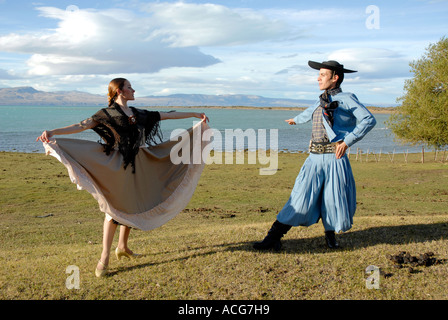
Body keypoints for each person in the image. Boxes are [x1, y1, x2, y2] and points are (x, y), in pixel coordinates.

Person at [37, 78, 210, 277]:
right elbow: (81, 125)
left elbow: (167, 115)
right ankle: (104, 257)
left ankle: (122, 247)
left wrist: (195, 114)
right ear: (119, 91)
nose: (133, 89)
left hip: (141, 164)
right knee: (114, 209)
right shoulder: (106, 113)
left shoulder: (138, 113)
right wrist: (52, 132)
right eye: (129, 87)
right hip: (117, 164)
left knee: (133, 203)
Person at [253, 60, 376, 251]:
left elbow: (368, 119)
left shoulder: (347, 98)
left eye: (323, 75)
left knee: (332, 199)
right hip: (314, 158)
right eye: (319, 74)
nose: (318, 78)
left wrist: (347, 142)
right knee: (300, 196)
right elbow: (310, 112)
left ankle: (330, 238)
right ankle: (273, 238)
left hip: (335, 158)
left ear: (335, 78)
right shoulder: (321, 100)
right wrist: (295, 119)